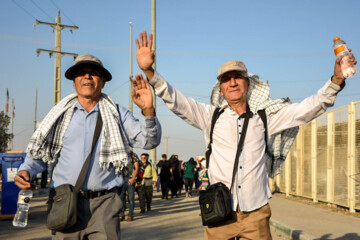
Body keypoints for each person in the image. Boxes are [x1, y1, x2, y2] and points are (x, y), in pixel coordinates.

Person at [136, 31, 356, 239]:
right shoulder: (209, 117)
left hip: (255, 214)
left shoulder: (265, 118)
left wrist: (336, 81)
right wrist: (150, 73)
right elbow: (176, 100)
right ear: (220, 89)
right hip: (219, 213)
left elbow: (309, 108)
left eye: (238, 77)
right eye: (226, 79)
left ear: (248, 84)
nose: (232, 82)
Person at [14, 53, 161, 240]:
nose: (87, 76)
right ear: (74, 82)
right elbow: (41, 155)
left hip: (105, 206)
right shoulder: (58, 116)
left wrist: (148, 110)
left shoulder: (117, 114)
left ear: (103, 82)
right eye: (81, 72)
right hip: (65, 204)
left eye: (93, 73)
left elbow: (150, 141)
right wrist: (26, 170)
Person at [119, 152, 140, 222]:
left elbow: (137, 167)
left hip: (130, 179)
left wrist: (134, 178)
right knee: (120, 198)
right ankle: (121, 214)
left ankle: (130, 215)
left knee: (131, 198)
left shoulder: (133, 155)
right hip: (121, 179)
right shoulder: (120, 154)